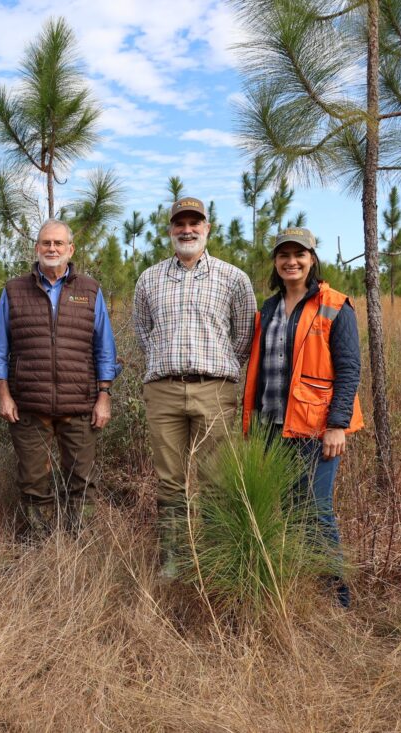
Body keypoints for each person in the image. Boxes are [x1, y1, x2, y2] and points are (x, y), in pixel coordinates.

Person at [132, 197, 257, 578]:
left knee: (216, 478)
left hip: (214, 390)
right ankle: (175, 559)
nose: (187, 230)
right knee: (170, 481)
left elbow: (245, 334)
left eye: (194, 223)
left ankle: (216, 558)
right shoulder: (150, 278)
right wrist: (166, 363)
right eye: (179, 224)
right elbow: (142, 330)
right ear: (170, 229)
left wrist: (219, 370)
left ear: (207, 228)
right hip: (164, 391)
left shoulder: (233, 277)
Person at [242, 228, 362, 607]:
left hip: (316, 427)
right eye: (283, 255)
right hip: (273, 426)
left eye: (299, 254)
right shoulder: (269, 308)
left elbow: (349, 367)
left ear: (312, 258)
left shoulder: (334, 305)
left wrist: (337, 424)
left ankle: (337, 595)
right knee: (289, 509)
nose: (291, 261)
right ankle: (302, 585)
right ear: (275, 263)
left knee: (316, 508)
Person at [0, 219, 121, 538]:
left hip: (80, 406)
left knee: (83, 481)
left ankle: (80, 548)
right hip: (29, 406)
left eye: (59, 243)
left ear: (70, 249)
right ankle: (39, 548)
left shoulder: (90, 290)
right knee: (33, 481)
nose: (52, 249)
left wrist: (104, 397)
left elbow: (105, 348)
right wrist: (3, 395)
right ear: (36, 248)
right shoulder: (14, 290)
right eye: (46, 243)